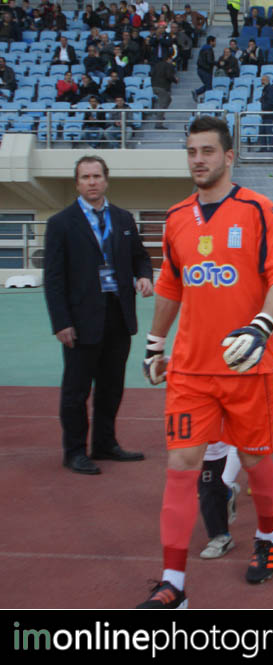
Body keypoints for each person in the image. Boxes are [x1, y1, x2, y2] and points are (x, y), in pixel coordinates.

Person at [137, 116, 273, 608]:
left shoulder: (258, 209)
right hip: (190, 369)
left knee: (254, 461)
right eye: (191, 151)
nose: (198, 160)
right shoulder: (176, 217)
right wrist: (155, 343)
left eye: (207, 151)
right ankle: (173, 584)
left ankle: (267, 538)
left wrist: (262, 326)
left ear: (229, 157)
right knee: (180, 466)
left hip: (247, 367)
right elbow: (171, 285)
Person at [43, 155, 152, 476]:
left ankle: (105, 444)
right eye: (85, 177)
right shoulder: (61, 223)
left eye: (97, 176)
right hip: (80, 320)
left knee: (111, 386)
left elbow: (140, 257)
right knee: (76, 391)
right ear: (77, 183)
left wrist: (144, 276)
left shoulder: (123, 219)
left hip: (118, 316)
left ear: (106, 179)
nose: (92, 182)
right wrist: (61, 322)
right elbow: (53, 278)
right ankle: (75, 451)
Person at [150, 53, 177, 129]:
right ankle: (158, 124)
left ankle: (158, 113)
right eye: (171, 59)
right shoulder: (168, 65)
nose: (172, 61)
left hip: (154, 86)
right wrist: (175, 80)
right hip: (162, 87)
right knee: (162, 105)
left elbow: (151, 74)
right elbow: (169, 76)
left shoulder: (156, 65)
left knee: (168, 99)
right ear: (168, 59)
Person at [191, 34, 214, 102]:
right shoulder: (209, 49)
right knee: (209, 86)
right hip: (206, 70)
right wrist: (217, 63)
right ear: (211, 42)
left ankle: (197, 92)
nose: (215, 43)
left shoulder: (203, 49)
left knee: (208, 85)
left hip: (201, 69)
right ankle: (206, 99)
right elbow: (209, 61)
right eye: (214, 41)